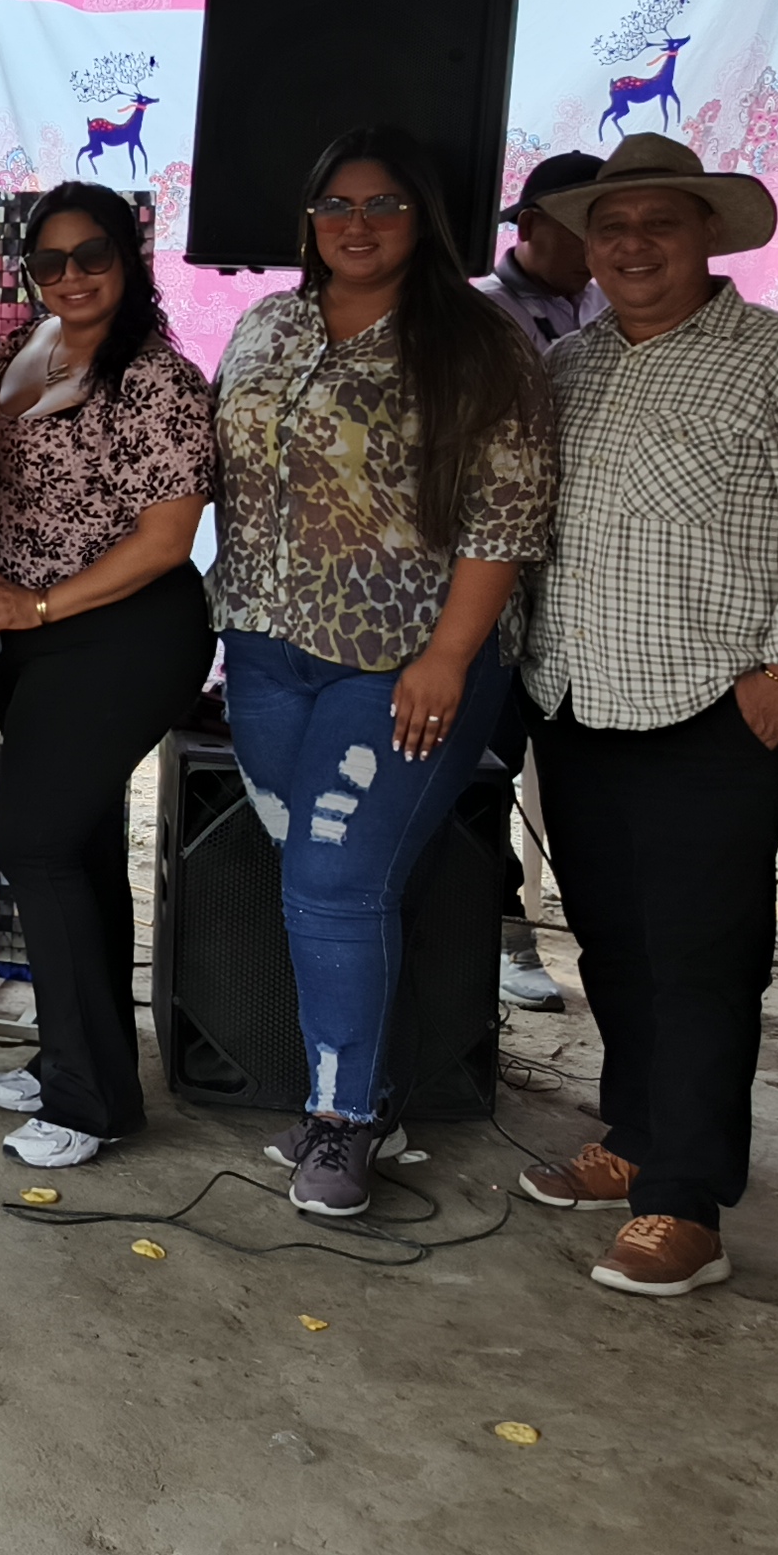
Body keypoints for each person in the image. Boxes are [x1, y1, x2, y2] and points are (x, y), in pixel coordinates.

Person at [512, 137, 778, 1298]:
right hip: (577, 696)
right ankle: (632, 1138)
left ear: (706, 235)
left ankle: (685, 1202)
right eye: (609, 227)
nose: (631, 246)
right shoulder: (566, 366)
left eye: (657, 224)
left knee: (700, 956)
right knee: (613, 942)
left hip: (715, 705)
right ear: (584, 245)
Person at [209, 125, 554, 1219]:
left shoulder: (479, 341)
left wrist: (449, 657)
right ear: (307, 221)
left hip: (402, 659)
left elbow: (507, 514)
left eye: (383, 205)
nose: (356, 225)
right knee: (319, 883)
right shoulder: (267, 326)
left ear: (425, 220)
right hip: (265, 652)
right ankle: (365, 1093)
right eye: (336, 205)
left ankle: (342, 1121)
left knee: (333, 884)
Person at [0, 183, 216, 1169]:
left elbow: (165, 540)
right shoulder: (26, 349)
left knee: (36, 845)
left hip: (122, 632)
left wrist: (39, 606)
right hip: (36, 637)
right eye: (50, 260)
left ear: (129, 259)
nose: (71, 276)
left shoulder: (155, 378)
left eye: (92, 255)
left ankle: (90, 1097)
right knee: (79, 847)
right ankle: (80, 1050)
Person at [476, 148, 604, 1011]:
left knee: (581, 774)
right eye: (585, 229)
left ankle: (597, 939)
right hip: (497, 583)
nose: (600, 250)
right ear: (528, 228)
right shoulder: (482, 316)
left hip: (586, 588)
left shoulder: (606, 309)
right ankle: (500, 935)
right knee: (485, 766)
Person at [478, 150, 606, 351]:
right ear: (527, 225)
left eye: (607, 237)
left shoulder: (606, 301)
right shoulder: (490, 314)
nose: (595, 255)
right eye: (581, 236)